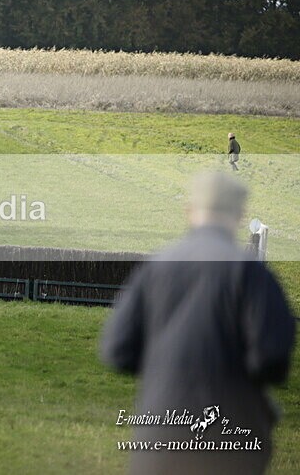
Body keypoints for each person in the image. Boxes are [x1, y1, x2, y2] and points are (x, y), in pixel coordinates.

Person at [101, 172, 295, 475]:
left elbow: (117, 351)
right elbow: (271, 358)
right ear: (240, 214)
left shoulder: (157, 267)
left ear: (189, 211)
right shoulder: (252, 274)